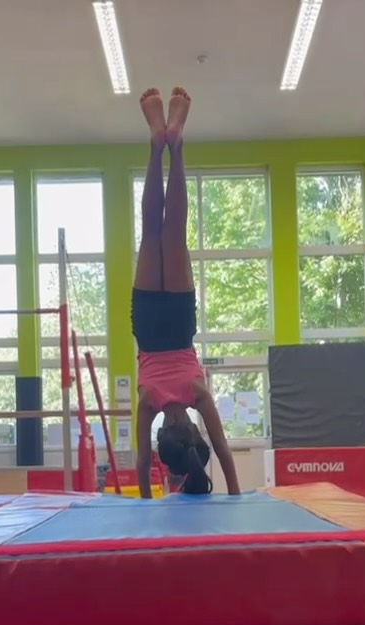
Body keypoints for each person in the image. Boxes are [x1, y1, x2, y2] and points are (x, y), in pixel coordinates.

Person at [132, 86, 240, 498]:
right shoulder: (146, 404)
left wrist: (236, 497)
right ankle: (156, 142)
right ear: (164, 433)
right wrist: (145, 502)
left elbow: (225, 453)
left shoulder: (199, 395)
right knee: (153, 231)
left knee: (173, 232)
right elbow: (142, 464)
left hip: (178, 324)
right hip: (148, 324)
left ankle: (176, 143)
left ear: (193, 431)